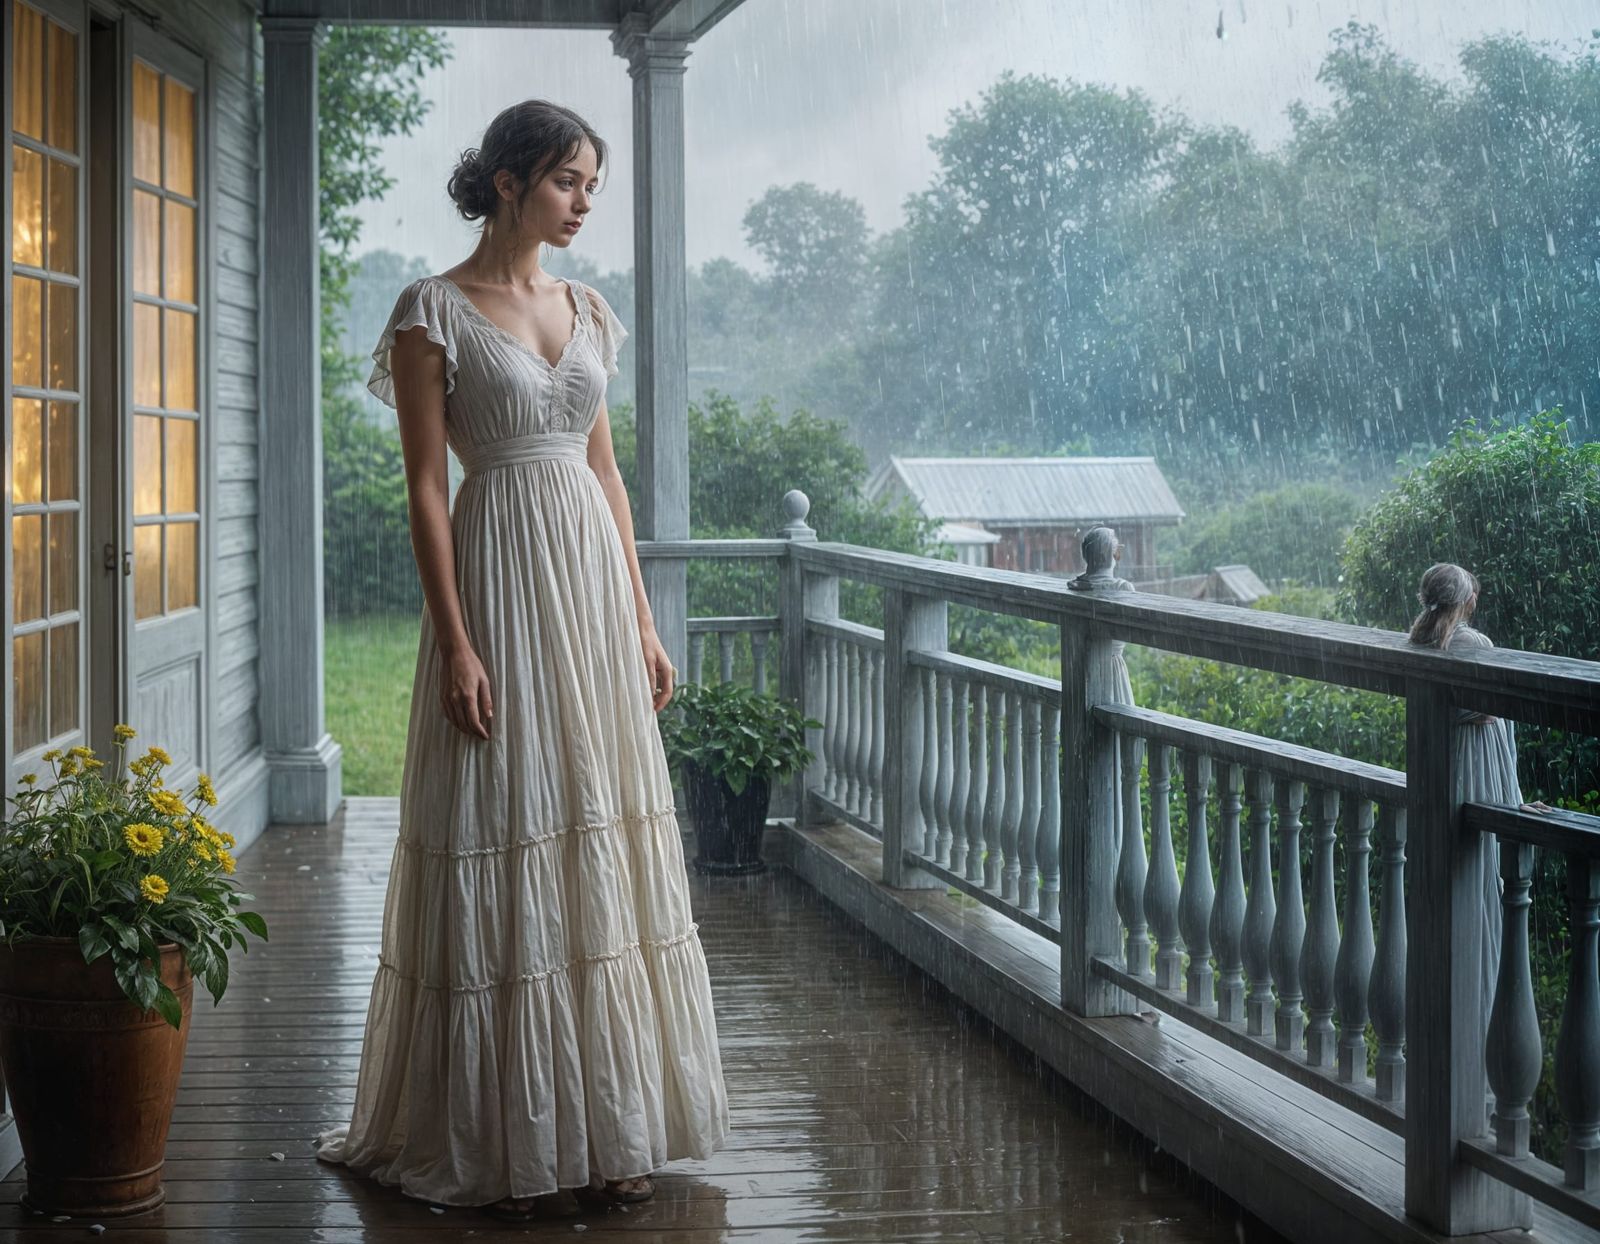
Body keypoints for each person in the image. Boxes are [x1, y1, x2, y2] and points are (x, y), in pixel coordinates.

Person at [314, 100, 730, 1221]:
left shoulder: (589, 306)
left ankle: (613, 1121)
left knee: (599, 819)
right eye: (566, 179)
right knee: (507, 817)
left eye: (591, 182)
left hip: (592, 593)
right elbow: (424, 488)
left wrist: (643, 622)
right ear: (505, 180)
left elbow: (604, 476)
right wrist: (456, 640)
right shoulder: (431, 310)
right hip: (499, 578)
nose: (584, 199)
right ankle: (508, 1127)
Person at [1407, 563, 1550, 1095]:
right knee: (1481, 914)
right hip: (1478, 786)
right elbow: (1499, 725)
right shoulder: (1475, 646)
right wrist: (1513, 804)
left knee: (1438, 915)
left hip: (1436, 782)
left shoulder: (1419, 644)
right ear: (1468, 600)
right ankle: (1475, 1082)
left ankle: (1437, 1070)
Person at [1068, 527, 1136, 855]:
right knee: (1115, 762)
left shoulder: (1077, 586)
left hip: (1080, 673)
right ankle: (1112, 847)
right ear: (1113, 555)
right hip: (1111, 674)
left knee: (1086, 761)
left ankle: (1094, 846)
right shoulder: (1122, 588)